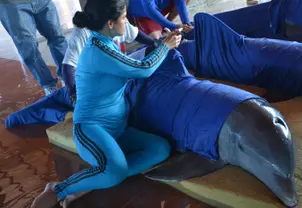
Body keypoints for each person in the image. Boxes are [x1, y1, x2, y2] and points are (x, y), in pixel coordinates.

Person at [31, 0, 182, 207]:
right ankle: (59, 189)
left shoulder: (108, 40)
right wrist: (165, 46)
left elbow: (139, 48)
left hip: (117, 128)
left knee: (159, 149)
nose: (127, 21)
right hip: (91, 130)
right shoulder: (98, 50)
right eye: (123, 18)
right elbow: (143, 68)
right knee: (116, 171)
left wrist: (162, 41)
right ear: (110, 23)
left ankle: (99, 179)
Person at [61, 20, 158, 104]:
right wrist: (74, 96)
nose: (125, 20)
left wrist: (156, 44)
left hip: (117, 68)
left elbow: (136, 34)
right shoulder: (84, 30)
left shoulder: (119, 17)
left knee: (152, 50)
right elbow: (68, 66)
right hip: (96, 80)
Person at [0, 0, 68, 95]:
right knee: (28, 48)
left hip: (43, 2)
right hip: (11, 5)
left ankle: (68, 77)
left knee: (58, 37)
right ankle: (49, 85)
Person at [128, 0, 194, 39]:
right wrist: (175, 26)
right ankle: (166, 25)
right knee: (157, 39)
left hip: (161, 7)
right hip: (144, 15)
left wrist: (186, 23)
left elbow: (180, 1)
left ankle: (165, 25)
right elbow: (151, 12)